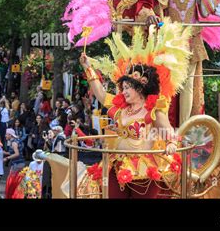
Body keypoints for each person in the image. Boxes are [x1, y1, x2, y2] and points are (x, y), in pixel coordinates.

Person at [79, 20, 191, 198]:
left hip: (145, 169)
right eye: (122, 88)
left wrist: (170, 144)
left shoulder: (153, 110)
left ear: (140, 88)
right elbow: (100, 95)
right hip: (118, 165)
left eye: (127, 88)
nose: (123, 91)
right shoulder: (120, 109)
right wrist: (88, 68)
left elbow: (168, 131)